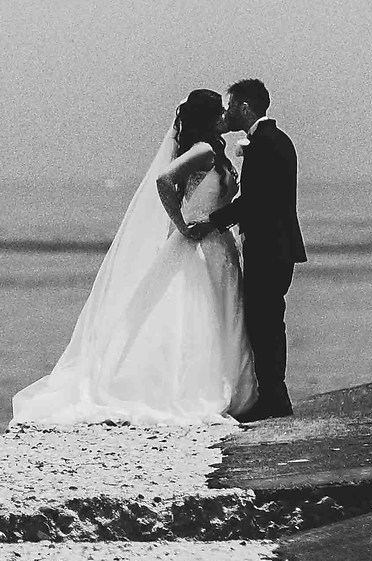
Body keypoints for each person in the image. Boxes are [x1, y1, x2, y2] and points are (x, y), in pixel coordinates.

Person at [13, 90, 257, 426]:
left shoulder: (216, 149)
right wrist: (182, 225)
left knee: (218, 314)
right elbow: (164, 179)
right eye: (219, 112)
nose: (225, 116)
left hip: (219, 246)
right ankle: (191, 387)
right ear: (209, 118)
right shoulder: (202, 150)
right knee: (195, 316)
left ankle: (227, 383)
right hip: (199, 246)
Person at [209, 78, 308, 420]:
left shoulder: (264, 144)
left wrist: (211, 222)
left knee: (264, 323)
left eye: (231, 106)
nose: (227, 112)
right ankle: (273, 395)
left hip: (268, 248)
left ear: (245, 108)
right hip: (278, 246)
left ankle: (274, 398)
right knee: (268, 322)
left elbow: (254, 202)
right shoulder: (277, 140)